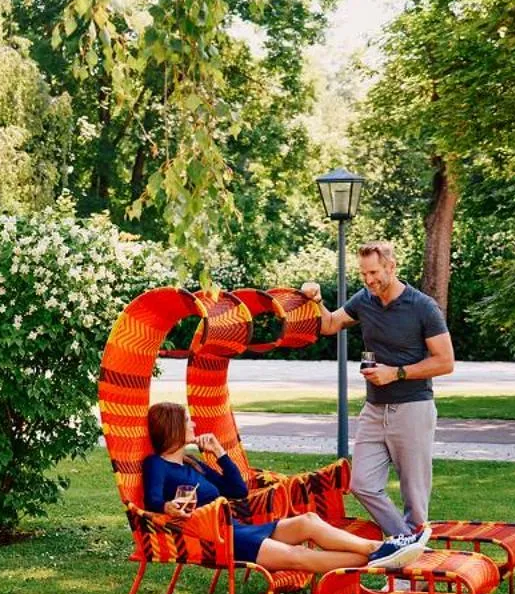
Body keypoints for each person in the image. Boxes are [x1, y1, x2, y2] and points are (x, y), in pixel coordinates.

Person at [140, 401, 424, 574]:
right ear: (174, 427)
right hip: (218, 538)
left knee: (309, 521)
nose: (194, 423)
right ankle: (384, 555)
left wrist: (219, 453)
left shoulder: (194, 465)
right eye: (188, 420)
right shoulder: (157, 464)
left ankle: (381, 551)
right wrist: (167, 506)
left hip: (236, 528)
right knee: (301, 557)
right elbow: (152, 499)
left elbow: (237, 490)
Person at [306, 238, 454, 552]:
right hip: (374, 408)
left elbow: (445, 361)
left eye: (374, 272)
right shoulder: (365, 300)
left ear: (391, 266)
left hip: (413, 407)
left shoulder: (422, 306)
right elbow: (330, 324)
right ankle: (408, 544)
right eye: (364, 275)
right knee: (361, 484)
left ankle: (409, 557)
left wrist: (395, 372)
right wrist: (317, 301)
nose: (370, 280)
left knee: (415, 495)